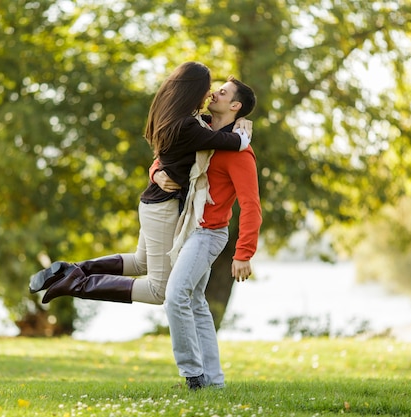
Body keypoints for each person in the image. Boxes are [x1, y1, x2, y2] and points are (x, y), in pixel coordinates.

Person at [28, 62, 251, 306]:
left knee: (140, 262)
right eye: (208, 89)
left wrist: (155, 171)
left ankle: (69, 270)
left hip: (153, 202)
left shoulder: (178, 117)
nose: (210, 94)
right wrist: (244, 130)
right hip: (164, 208)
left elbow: (201, 136)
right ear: (193, 91)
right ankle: (77, 284)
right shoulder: (188, 126)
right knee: (159, 291)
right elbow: (234, 142)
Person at [153, 76, 261, 390]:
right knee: (196, 304)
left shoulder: (239, 152)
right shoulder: (199, 131)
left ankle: (193, 377)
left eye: (223, 92)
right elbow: (165, 158)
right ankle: (213, 382)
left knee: (175, 298)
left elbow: (251, 205)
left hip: (208, 233)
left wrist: (244, 253)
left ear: (235, 106)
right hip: (187, 228)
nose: (214, 92)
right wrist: (157, 173)